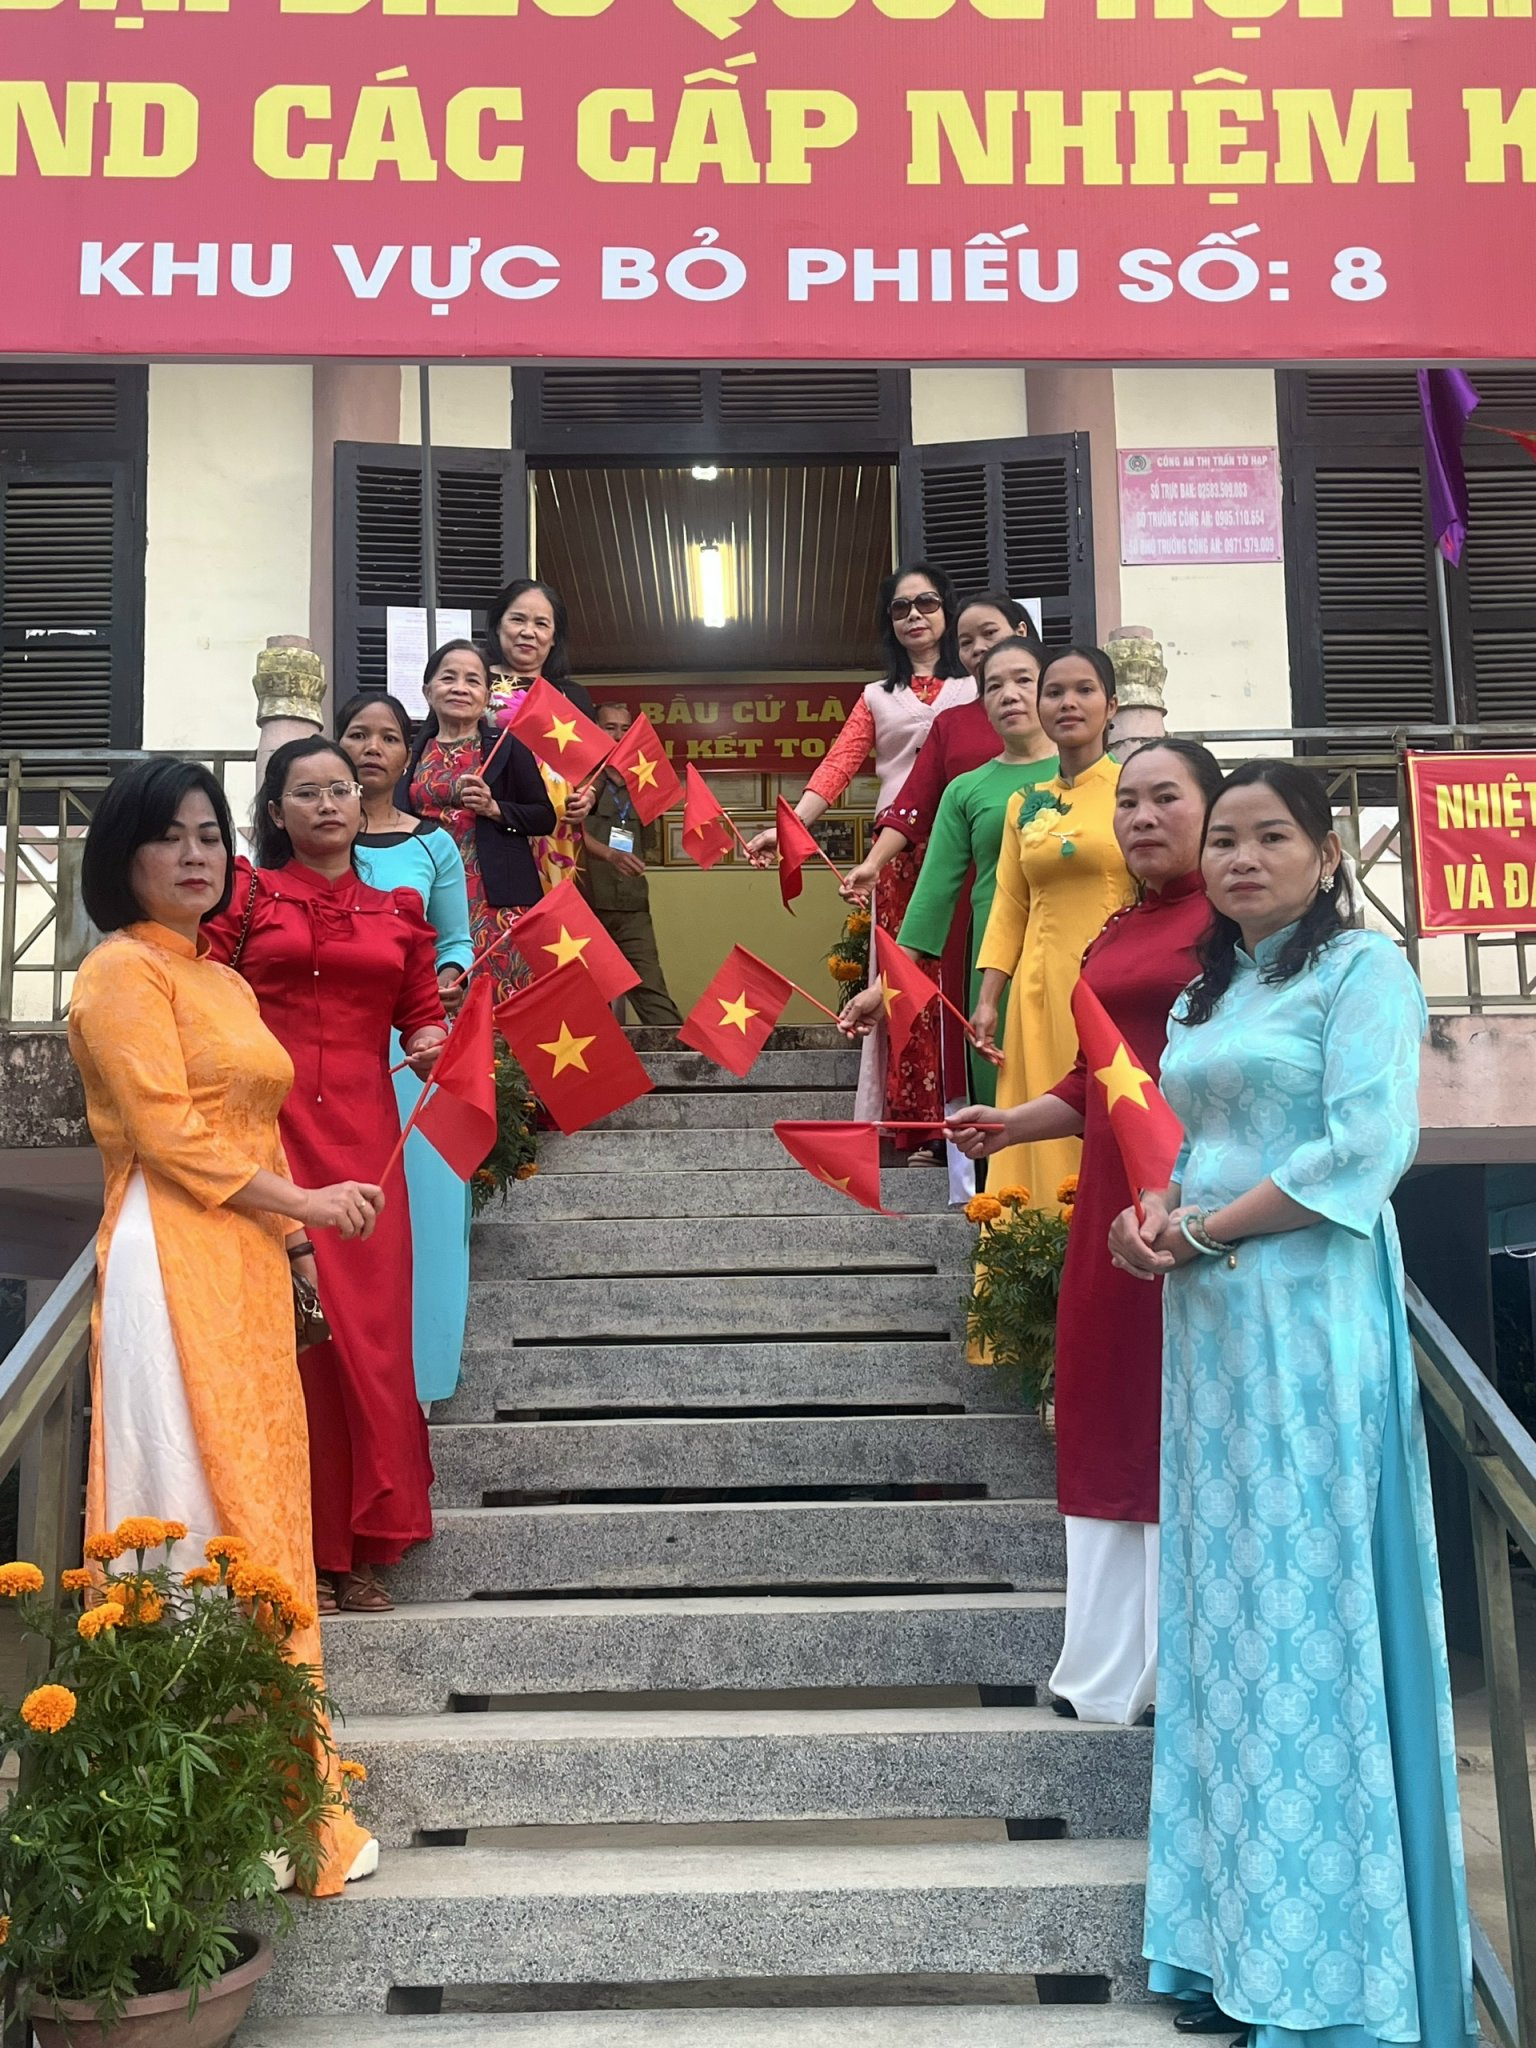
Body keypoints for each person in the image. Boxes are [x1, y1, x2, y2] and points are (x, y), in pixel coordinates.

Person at [1110, 760, 1477, 2048]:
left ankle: (1326, 1978)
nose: (1241, 856)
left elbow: (1364, 1148)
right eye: (1225, 838)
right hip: (1211, 1329)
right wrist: (1151, 1215)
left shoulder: (1363, 970)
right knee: (1224, 1617)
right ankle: (1228, 1944)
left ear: (1326, 855)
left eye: (1272, 836)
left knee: (1305, 1611)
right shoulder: (1210, 991)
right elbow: (1181, 1139)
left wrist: (1209, 1229)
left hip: (1311, 1317)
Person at [68, 756, 380, 1892]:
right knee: (192, 1500)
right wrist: (307, 1203)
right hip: (169, 1251)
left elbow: (256, 1127)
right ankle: (193, 1811)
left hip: (244, 1256)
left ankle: (280, 1797)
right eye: (171, 836)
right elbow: (167, 1134)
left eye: (210, 834)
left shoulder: (224, 981)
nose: (197, 854)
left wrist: (294, 1242)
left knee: (261, 1492)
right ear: (125, 855)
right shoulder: (118, 971)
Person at [951, 740, 1221, 1729]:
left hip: (1194, 1197)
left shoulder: (1234, 927)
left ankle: (1177, 1667)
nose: (1142, 817)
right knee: (1107, 1404)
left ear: (1213, 809)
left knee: (1171, 1412)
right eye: (1130, 802)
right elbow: (1092, 1075)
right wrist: (1010, 1123)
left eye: (1167, 799)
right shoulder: (1117, 927)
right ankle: (1103, 1671)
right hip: (1109, 1199)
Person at [206, 738, 447, 1615]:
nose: (327, 804)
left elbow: (421, 1020)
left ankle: (360, 1548)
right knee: (291, 1340)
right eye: (305, 793)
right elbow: (200, 994)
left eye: (340, 789)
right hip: (267, 1134)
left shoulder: (399, 908)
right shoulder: (245, 895)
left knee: (365, 1343)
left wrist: (434, 1042)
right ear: (276, 812)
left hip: (366, 1143)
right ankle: (292, 1544)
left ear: (361, 799)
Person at [746, 563, 975, 1161]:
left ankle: (976, 1113)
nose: (914, 616)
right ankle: (919, 1127)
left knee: (966, 970)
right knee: (903, 981)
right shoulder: (877, 695)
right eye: (901, 608)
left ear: (948, 611)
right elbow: (838, 765)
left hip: (969, 843)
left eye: (927, 603)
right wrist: (789, 828)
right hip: (896, 855)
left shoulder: (978, 686)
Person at [838, 636, 1057, 1109]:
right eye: (993, 686)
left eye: (1024, 681)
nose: (1009, 694)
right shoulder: (965, 790)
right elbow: (932, 897)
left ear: (1050, 690)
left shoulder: (1104, 777)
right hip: (995, 964)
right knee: (1005, 1107)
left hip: (1081, 957)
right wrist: (883, 987)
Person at [338, 691, 475, 1407]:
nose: (372, 747)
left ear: (407, 755)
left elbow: (455, 938)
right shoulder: (312, 838)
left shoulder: (433, 845)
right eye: (357, 734)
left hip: (415, 1050)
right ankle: (348, 1377)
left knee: (425, 1211)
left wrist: (450, 976)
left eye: (388, 737)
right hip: (334, 1048)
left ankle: (421, 1378)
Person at [972, 645, 1133, 1202]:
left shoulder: (1132, 792)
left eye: (1084, 690)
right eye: (1055, 692)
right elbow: (1010, 904)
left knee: (1104, 1113)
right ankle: (1032, 1250)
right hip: (1038, 991)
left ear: (1112, 705)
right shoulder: (1025, 802)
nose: (1068, 703)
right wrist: (989, 999)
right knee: (1033, 1123)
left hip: (1112, 986)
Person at [397, 639, 557, 1007]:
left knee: (498, 1003)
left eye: (472, 680)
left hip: (494, 899)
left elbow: (543, 816)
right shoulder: (408, 752)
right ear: (427, 691)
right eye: (448, 678)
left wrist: (494, 808)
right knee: (432, 1001)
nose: (460, 688)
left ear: (486, 696)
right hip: (428, 893)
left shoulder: (506, 746)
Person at [483, 576, 595, 893]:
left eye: (541, 624)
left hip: (559, 837)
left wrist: (590, 795)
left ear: (554, 637)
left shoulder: (572, 695)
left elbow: (592, 767)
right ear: (498, 625)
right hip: (492, 821)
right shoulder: (474, 682)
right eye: (518, 619)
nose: (528, 631)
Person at [580, 700, 683, 1028]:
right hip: (586, 904)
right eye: (609, 727)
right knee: (588, 998)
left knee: (652, 992)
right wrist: (609, 854)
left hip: (631, 905)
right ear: (594, 730)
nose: (618, 736)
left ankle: (679, 1057)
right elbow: (566, 836)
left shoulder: (643, 781)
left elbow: (648, 841)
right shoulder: (579, 779)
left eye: (625, 729)